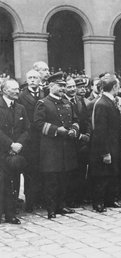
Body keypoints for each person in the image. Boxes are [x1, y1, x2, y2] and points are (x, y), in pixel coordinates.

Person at [33, 74, 79, 219]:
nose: (63, 88)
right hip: (51, 148)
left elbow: (76, 120)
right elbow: (38, 124)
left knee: (64, 178)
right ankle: (51, 209)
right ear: (51, 86)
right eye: (60, 85)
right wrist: (56, 130)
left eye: (64, 85)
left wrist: (74, 130)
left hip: (67, 147)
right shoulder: (43, 103)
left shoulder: (68, 103)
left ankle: (61, 205)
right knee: (52, 180)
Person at [89, 74, 121, 212]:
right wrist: (105, 152)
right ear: (114, 87)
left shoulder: (108, 101)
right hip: (104, 147)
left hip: (113, 145)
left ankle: (109, 200)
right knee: (101, 176)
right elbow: (100, 131)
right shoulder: (103, 104)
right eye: (118, 86)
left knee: (111, 174)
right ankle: (98, 202)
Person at [0, 79, 30, 224]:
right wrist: (10, 144)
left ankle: (11, 214)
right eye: (14, 89)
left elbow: (26, 129)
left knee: (14, 182)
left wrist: (19, 144)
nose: (17, 91)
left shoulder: (20, 108)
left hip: (16, 151)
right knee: (1, 182)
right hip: (2, 151)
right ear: (5, 90)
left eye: (18, 88)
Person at [17, 70, 45, 212]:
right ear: (27, 80)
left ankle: (42, 199)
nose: (32, 80)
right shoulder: (21, 96)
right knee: (30, 171)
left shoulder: (44, 93)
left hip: (44, 138)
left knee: (44, 169)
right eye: (30, 78)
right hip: (30, 140)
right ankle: (31, 202)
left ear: (40, 80)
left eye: (35, 78)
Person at [63, 78, 91, 207]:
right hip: (69, 141)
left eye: (74, 86)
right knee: (70, 172)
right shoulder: (62, 102)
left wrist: (87, 134)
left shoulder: (80, 101)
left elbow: (86, 120)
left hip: (82, 142)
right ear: (64, 89)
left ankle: (80, 196)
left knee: (81, 170)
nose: (73, 89)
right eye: (69, 87)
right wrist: (78, 135)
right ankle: (69, 199)